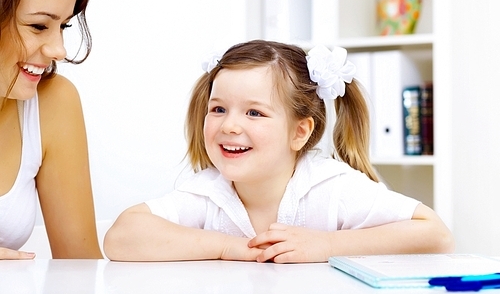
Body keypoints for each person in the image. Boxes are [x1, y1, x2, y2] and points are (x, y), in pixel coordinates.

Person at [104, 40, 454, 263]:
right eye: (218, 109)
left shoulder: (330, 188)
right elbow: (121, 239)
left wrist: (327, 246)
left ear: (300, 132)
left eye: (254, 112)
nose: (229, 126)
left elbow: (436, 235)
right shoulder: (209, 192)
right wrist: (227, 248)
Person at [0, 0, 102, 259]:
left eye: (64, 26)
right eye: (38, 26)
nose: (59, 50)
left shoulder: (53, 104)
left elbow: (81, 270)